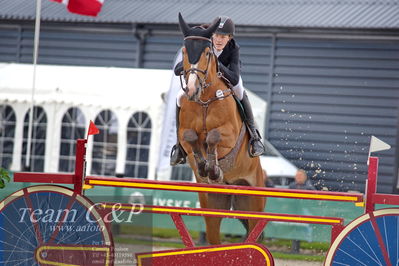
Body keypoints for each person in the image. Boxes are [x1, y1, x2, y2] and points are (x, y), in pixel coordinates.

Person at [170, 16, 265, 165]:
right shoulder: (203, 44)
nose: (219, 40)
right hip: (203, 82)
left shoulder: (233, 48)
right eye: (217, 36)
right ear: (212, 35)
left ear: (229, 38)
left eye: (223, 36)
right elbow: (178, 69)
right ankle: (178, 146)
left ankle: (254, 137)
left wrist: (214, 65)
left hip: (226, 79)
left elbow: (233, 78)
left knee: (240, 91)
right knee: (179, 96)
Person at [288, 169, 315, 253]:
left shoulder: (309, 187)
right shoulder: (291, 186)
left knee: (302, 226)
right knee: (294, 226)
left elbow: (314, 200)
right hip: (293, 211)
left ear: (305, 177)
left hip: (305, 212)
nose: (298, 177)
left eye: (300, 176)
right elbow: (286, 199)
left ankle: (308, 240)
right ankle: (294, 248)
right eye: (297, 176)